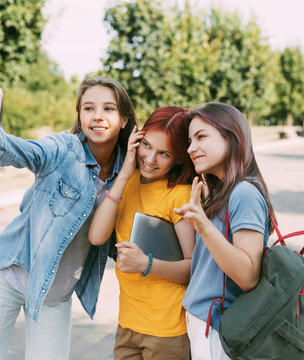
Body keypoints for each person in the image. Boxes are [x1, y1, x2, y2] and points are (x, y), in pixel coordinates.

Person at [0, 77, 137, 359]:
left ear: (124, 119)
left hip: (56, 294)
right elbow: (19, 150)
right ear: (80, 115)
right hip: (9, 273)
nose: (97, 116)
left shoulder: (130, 169)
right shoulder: (63, 149)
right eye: (88, 108)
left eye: (109, 109)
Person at [88, 106, 197, 360]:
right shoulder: (127, 182)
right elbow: (96, 237)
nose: (150, 159)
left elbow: (193, 269)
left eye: (164, 154)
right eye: (146, 145)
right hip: (127, 324)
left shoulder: (178, 195)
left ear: (179, 158)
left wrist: (145, 264)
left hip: (167, 330)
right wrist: (125, 174)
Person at [174, 102, 276, 360]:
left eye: (201, 137)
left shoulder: (245, 193)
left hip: (219, 327)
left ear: (231, 136)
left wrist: (203, 225)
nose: (190, 148)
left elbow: (248, 274)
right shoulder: (224, 191)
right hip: (206, 323)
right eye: (189, 140)